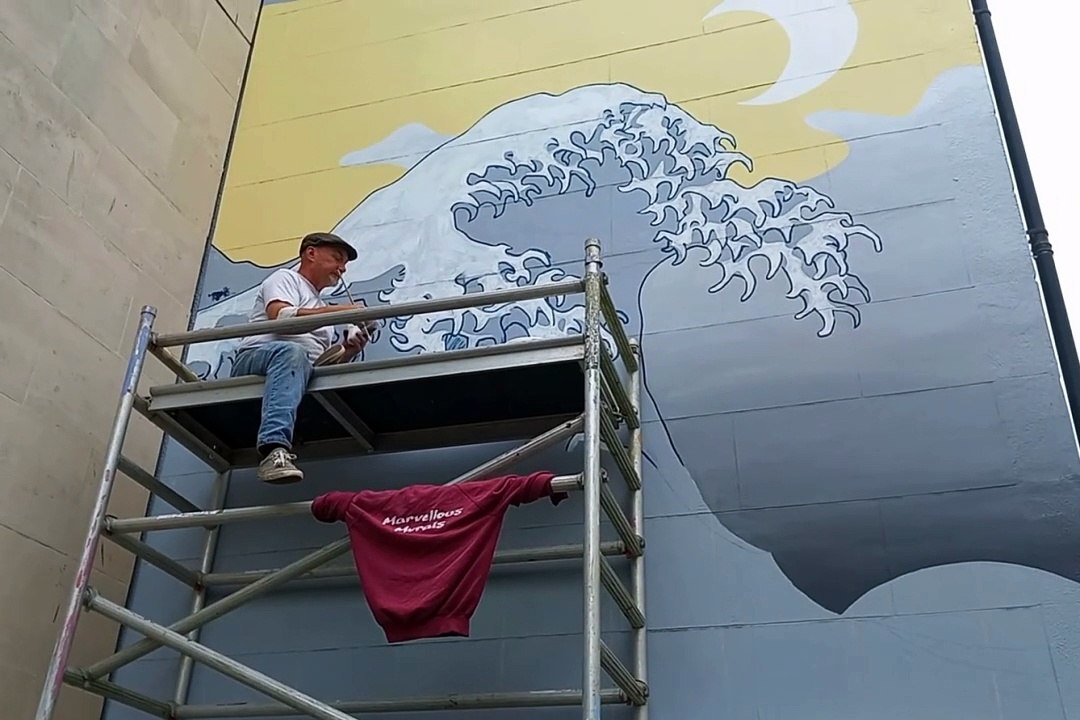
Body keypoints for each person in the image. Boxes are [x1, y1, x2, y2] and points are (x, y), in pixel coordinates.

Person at [231, 232, 370, 484]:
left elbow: (313, 364)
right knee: (292, 352)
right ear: (311, 253)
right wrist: (340, 312)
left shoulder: (319, 305)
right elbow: (282, 320)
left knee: (300, 359)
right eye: (337, 258)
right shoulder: (286, 278)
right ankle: (273, 450)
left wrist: (347, 351)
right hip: (256, 359)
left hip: (291, 368)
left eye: (345, 265)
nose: (342, 269)